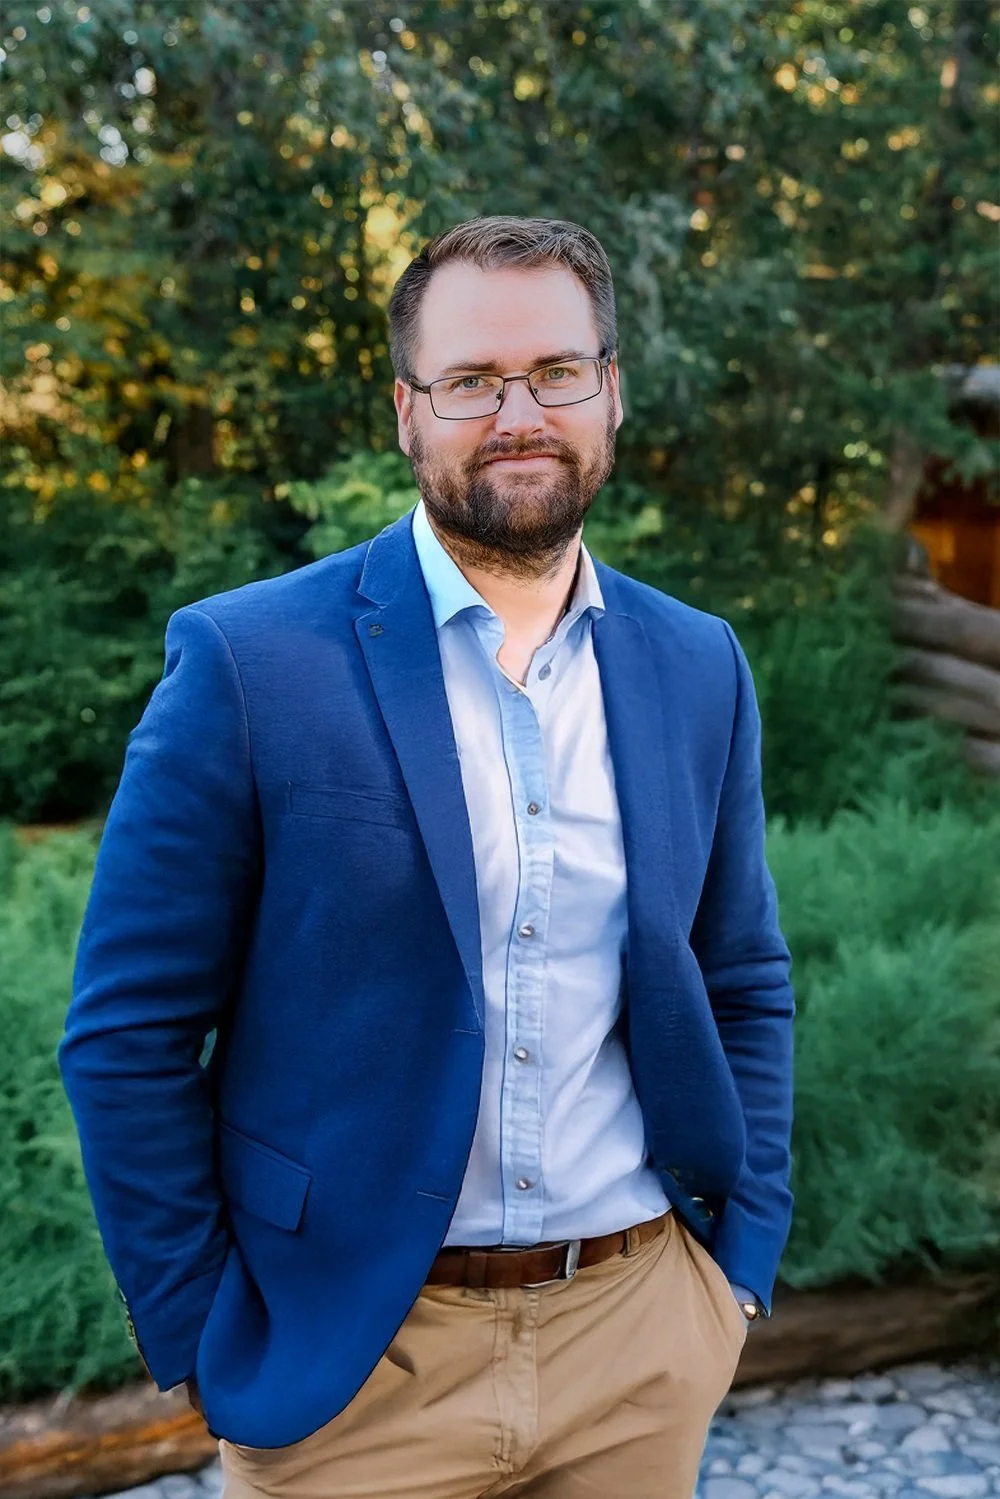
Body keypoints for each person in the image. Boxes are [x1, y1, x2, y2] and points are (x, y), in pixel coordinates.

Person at [58, 215, 795, 1499]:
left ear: (609, 390)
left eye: (555, 371)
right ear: (408, 411)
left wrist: (734, 1269)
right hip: (355, 1368)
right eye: (470, 381)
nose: (519, 414)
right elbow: (126, 1033)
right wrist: (200, 1332)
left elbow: (740, 975)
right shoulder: (251, 661)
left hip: (636, 1338)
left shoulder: (696, 663)